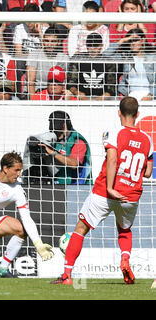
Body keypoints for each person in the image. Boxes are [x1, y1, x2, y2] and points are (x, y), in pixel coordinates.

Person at [52, 96, 154, 285]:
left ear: (119, 113)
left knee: (81, 229)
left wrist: (110, 188)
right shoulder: (147, 139)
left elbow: (113, 160)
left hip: (105, 192)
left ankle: (66, 275)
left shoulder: (114, 132)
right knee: (125, 231)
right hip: (131, 194)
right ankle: (124, 260)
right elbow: (147, 172)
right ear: (138, 114)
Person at [39, 110, 92, 184]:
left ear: (65, 126)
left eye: (58, 131)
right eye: (53, 131)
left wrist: (52, 153)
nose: (56, 134)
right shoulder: (54, 139)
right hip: (58, 185)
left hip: (79, 186)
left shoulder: (78, 141)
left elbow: (74, 164)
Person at [105, 28, 155, 101]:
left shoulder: (152, 57)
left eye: (136, 40)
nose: (133, 43)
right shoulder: (126, 56)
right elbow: (105, 55)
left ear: (143, 40)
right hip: (131, 96)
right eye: (130, 40)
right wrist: (121, 41)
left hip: (149, 95)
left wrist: (151, 94)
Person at [67, 32, 117, 100]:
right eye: (90, 45)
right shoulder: (78, 59)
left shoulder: (108, 62)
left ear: (101, 46)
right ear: (86, 45)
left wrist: (101, 98)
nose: (93, 49)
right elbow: (71, 83)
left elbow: (111, 87)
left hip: (102, 97)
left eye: (96, 46)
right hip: (80, 96)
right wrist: (77, 93)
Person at [26, 27, 68, 99]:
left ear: (59, 42)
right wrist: (33, 102)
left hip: (56, 94)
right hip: (38, 92)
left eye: (53, 41)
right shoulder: (34, 55)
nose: (49, 44)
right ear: (43, 41)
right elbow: (30, 82)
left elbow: (64, 83)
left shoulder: (64, 58)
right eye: (47, 41)